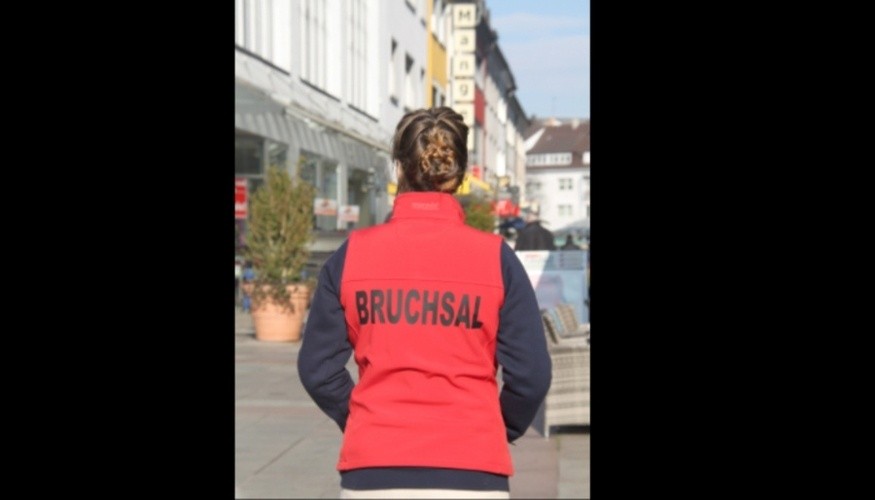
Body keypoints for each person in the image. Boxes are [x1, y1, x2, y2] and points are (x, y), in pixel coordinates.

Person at [298, 107, 552, 499]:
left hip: (374, 465)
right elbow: (531, 374)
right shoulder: (496, 258)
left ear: (398, 168)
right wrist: (495, 428)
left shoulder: (352, 254)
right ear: (461, 174)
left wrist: (364, 419)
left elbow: (317, 367)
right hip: (473, 465)